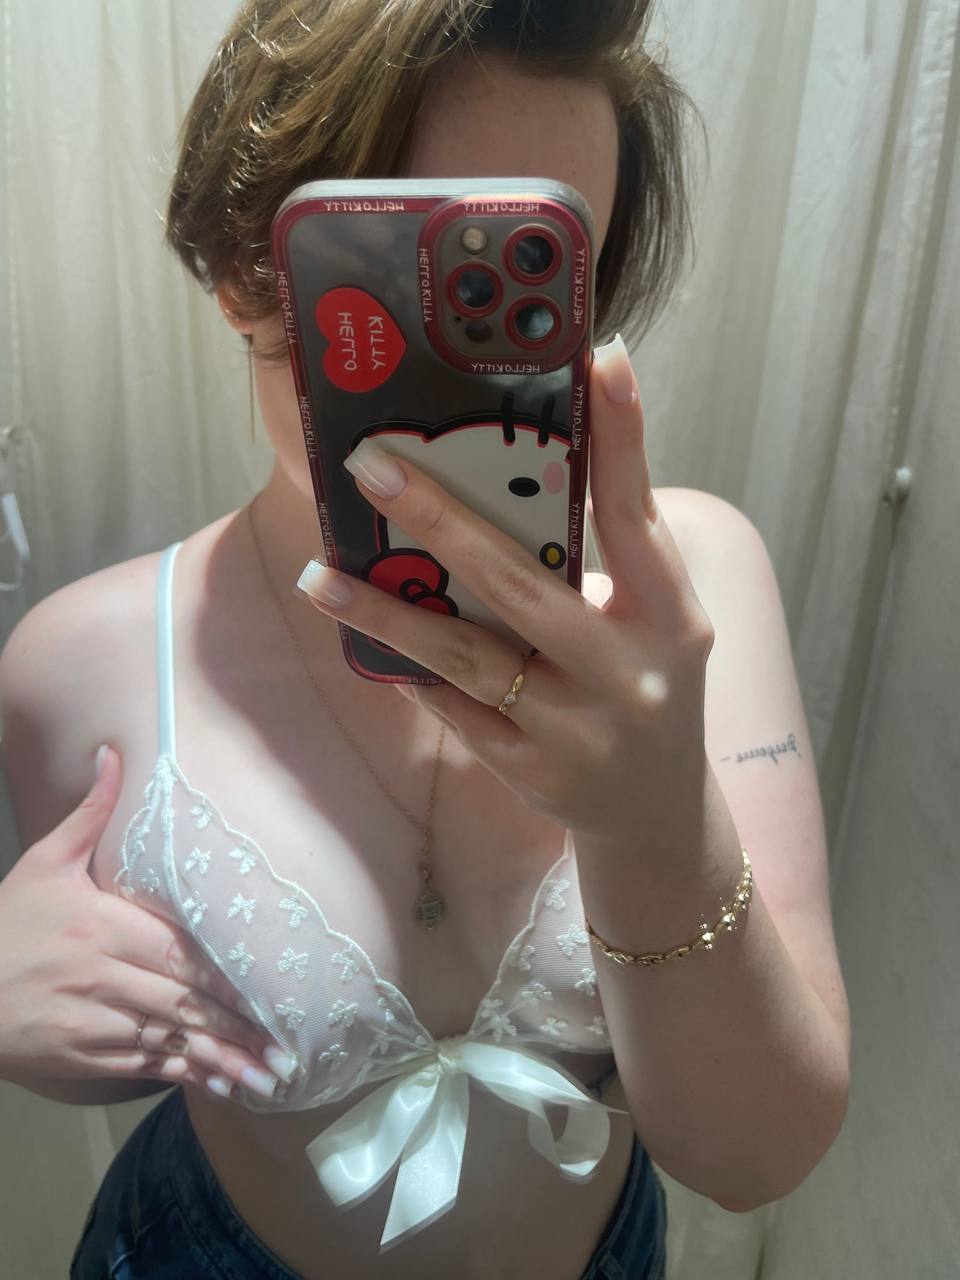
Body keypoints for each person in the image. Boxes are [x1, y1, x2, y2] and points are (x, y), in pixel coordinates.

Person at [2, 3, 852, 1278]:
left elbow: (755, 1154)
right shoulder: (78, 662)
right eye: (407, 264)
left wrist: (651, 815)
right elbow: (105, 1040)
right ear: (243, 271)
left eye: (529, 270)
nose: (468, 359)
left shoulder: (696, 597)